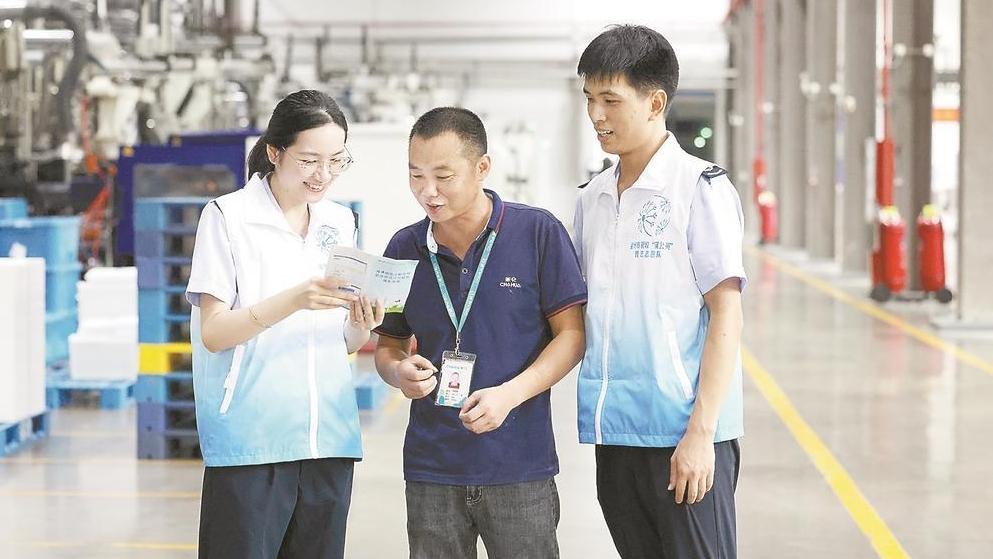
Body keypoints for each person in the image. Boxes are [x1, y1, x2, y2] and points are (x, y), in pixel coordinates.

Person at [373, 107, 587, 559]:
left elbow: (571, 336)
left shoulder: (537, 233)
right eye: (415, 175)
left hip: (518, 464)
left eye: (443, 176)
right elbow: (389, 345)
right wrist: (398, 372)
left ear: (482, 167)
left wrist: (509, 395)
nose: (428, 191)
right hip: (432, 468)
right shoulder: (403, 248)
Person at [185, 90, 385, 559]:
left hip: (328, 437)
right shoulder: (228, 217)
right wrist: (293, 300)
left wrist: (362, 325)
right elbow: (214, 332)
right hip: (252, 437)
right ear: (275, 153)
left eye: (336, 161)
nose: (324, 174)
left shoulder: (340, 221)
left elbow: (341, 341)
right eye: (310, 160)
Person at [573, 25, 747, 559]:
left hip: (683, 433)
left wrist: (701, 433)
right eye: (589, 98)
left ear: (655, 102)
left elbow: (726, 314)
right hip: (615, 431)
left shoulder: (699, 189)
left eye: (610, 100)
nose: (596, 115)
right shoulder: (592, 198)